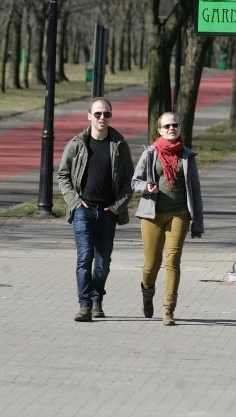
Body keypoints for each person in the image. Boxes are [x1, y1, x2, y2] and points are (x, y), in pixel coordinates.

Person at [57, 97, 134, 322]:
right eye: (98, 114)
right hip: (83, 209)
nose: (102, 118)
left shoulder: (119, 145)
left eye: (106, 114)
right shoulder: (77, 144)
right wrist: (74, 201)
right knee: (84, 257)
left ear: (111, 116)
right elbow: (63, 175)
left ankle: (97, 297)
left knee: (102, 263)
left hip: (108, 212)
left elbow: (128, 180)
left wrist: (117, 206)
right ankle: (85, 305)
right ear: (88, 115)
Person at [131, 112, 204, 326]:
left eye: (175, 125)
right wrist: (147, 186)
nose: (171, 128)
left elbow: (196, 192)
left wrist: (198, 223)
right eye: (167, 126)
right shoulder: (150, 153)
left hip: (179, 214)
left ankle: (168, 309)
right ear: (159, 130)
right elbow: (134, 181)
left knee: (173, 261)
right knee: (151, 264)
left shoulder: (187, 157)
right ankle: (147, 295)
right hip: (152, 214)